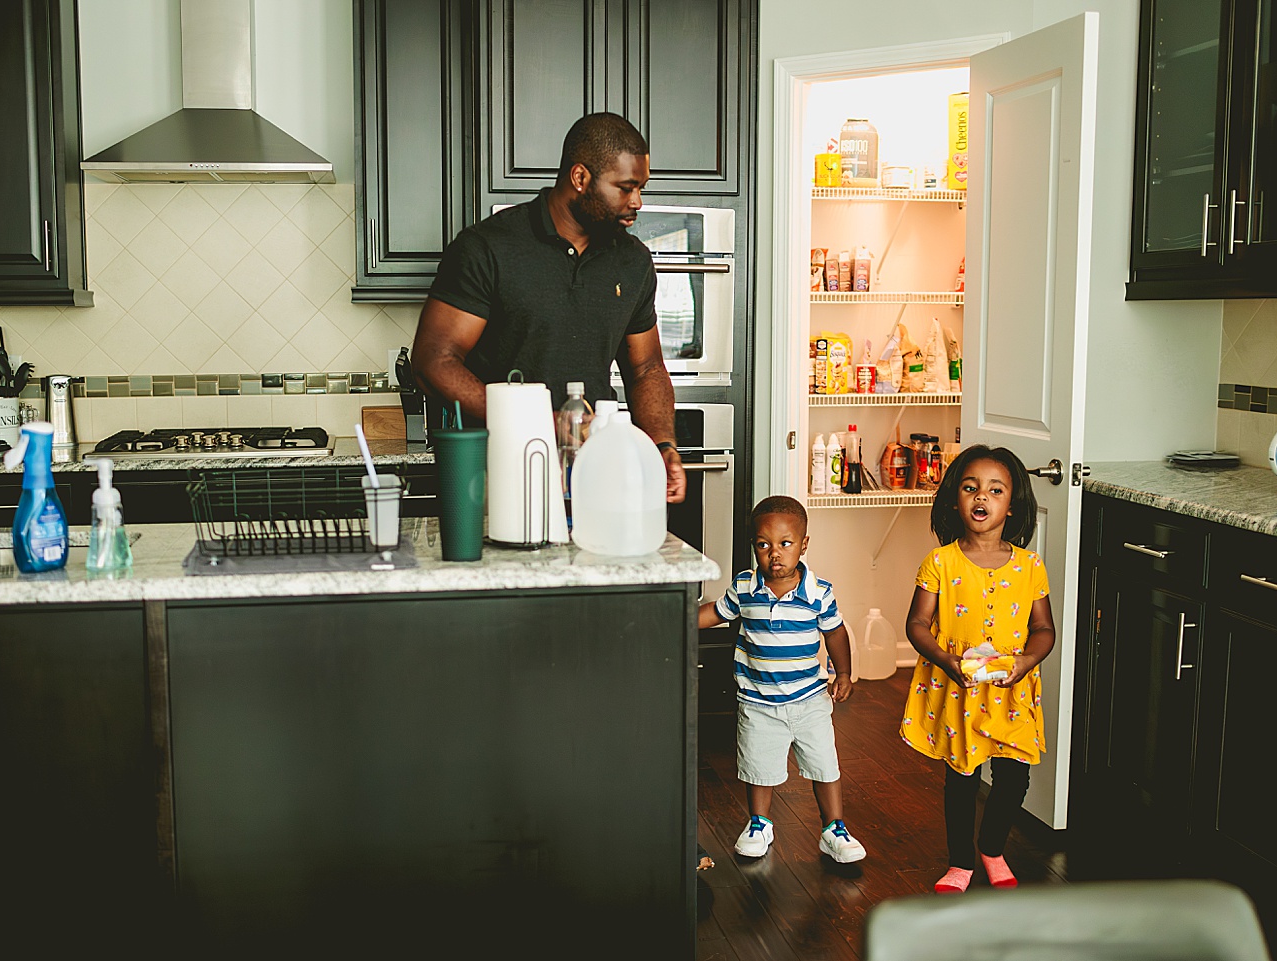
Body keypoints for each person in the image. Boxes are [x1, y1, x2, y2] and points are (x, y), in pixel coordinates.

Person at [410, 111, 685, 502]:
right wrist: (537, 421)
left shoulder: (632, 260)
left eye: (640, 187)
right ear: (580, 178)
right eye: (625, 187)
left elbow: (645, 368)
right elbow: (434, 361)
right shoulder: (489, 247)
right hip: (497, 471)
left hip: (596, 473)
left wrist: (663, 446)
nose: (637, 201)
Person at [900, 444, 1057, 894]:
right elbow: (916, 624)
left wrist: (1026, 661)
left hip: (1012, 687)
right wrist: (947, 660)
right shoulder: (940, 562)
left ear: (1013, 504)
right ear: (955, 498)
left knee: (1014, 776)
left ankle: (991, 848)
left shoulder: (1030, 567)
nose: (981, 497)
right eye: (970, 488)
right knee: (962, 779)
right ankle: (960, 862)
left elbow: (1044, 629)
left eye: (995, 489)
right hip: (959, 687)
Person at [698, 496, 868, 863]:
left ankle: (833, 828)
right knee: (758, 766)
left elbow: (835, 633)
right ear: (754, 547)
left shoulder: (818, 593)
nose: (774, 553)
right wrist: (674, 617)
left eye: (785, 544)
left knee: (825, 764)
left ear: (804, 544)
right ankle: (759, 823)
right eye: (764, 544)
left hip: (809, 698)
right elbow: (715, 612)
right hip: (757, 700)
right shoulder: (744, 588)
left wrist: (844, 672)